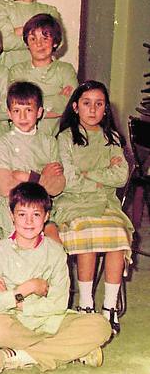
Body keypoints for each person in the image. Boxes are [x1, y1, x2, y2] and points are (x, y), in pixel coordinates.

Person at [0, 182, 112, 373]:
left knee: (101, 326)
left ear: (46, 217)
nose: (28, 222)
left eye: (36, 215)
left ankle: (21, 356)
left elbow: (59, 303)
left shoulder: (56, 252)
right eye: (22, 214)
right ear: (12, 216)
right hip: (14, 321)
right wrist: (28, 288)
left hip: (52, 320)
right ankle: (72, 352)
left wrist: (16, 301)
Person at [52, 81, 133, 334]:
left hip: (106, 202)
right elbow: (71, 181)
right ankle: (86, 303)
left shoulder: (112, 138)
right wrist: (99, 179)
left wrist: (88, 174)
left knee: (117, 234)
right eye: (87, 103)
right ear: (75, 107)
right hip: (73, 203)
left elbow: (121, 176)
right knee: (87, 234)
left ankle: (109, 306)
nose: (93, 109)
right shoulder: (66, 138)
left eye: (99, 104)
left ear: (106, 109)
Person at [0, 81, 65, 239]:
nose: (23, 117)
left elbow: (57, 186)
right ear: (9, 113)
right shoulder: (3, 144)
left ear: (39, 112)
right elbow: (5, 188)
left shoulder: (49, 142)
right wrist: (42, 177)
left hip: (43, 209)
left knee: (54, 244)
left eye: (28, 110)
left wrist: (26, 176)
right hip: (13, 211)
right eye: (17, 111)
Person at [9, 14, 77, 136]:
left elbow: (71, 106)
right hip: (22, 139)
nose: (39, 44)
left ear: (55, 42)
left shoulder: (65, 70)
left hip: (56, 138)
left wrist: (29, 104)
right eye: (33, 39)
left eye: (45, 39)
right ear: (27, 44)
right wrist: (57, 99)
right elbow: (14, 106)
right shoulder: (16, 71)